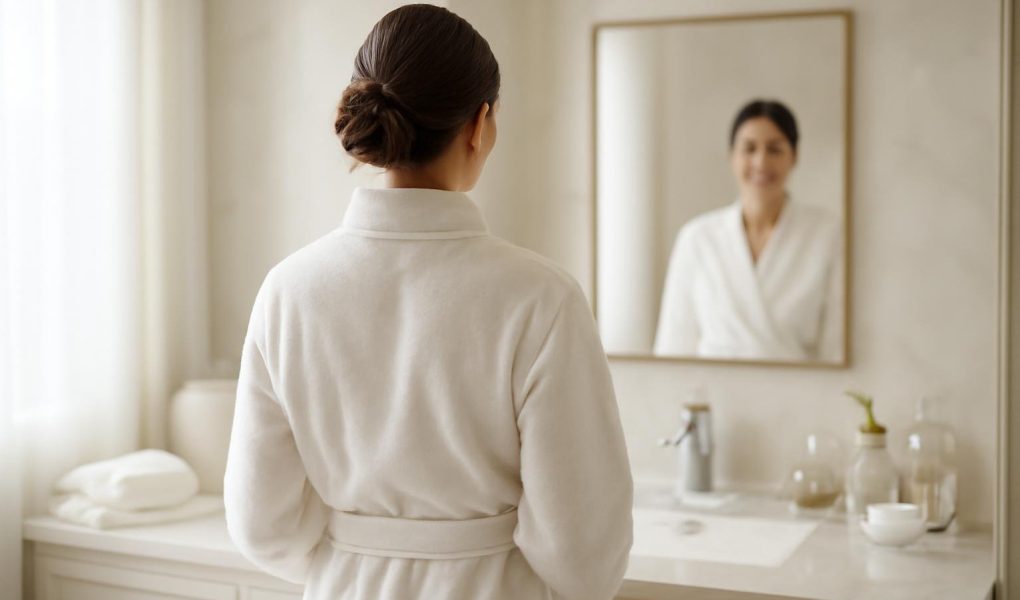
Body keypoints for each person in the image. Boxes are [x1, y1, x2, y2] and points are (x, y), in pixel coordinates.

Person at [223, 5, 633, 600]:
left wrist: (362, 554)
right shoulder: (541, 297)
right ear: (480, 123)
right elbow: (585, 550)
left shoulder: (288, 291)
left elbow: (261, 524)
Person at [653, 99, 843, 362]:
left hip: (800, 395)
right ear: (732, 156)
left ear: (794, 156)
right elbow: (674, 345)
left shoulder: (827, 234)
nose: (761, 161)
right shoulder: (697, 238)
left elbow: (837, 347)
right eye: (749, 148)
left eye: (775, 149)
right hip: (713, 397)